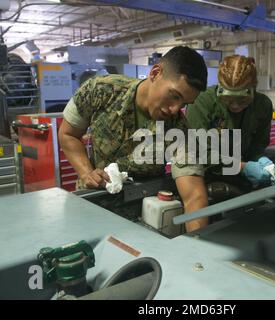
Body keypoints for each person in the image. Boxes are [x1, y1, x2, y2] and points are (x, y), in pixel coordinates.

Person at [58, 46, 209, 232]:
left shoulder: (179, 129)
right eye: (174, 96)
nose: (175, 109)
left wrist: (196, 246)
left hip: (145, 217)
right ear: (155, 73)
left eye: (184, 103)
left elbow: (194, 196)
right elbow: (68, 134)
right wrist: (86, 172)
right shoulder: (101, 91)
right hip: (92, 204)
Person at [185, 54, 275, 193]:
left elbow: (258, 146)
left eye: (242, 100)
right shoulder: (202, 102)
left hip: (242, 177)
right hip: (207, 177)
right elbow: (200, 153)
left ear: (254, 89)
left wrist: (263, 161)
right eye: (227, 99)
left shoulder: (262, 105)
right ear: (219, 88)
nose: (235, 106)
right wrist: (242, 167)